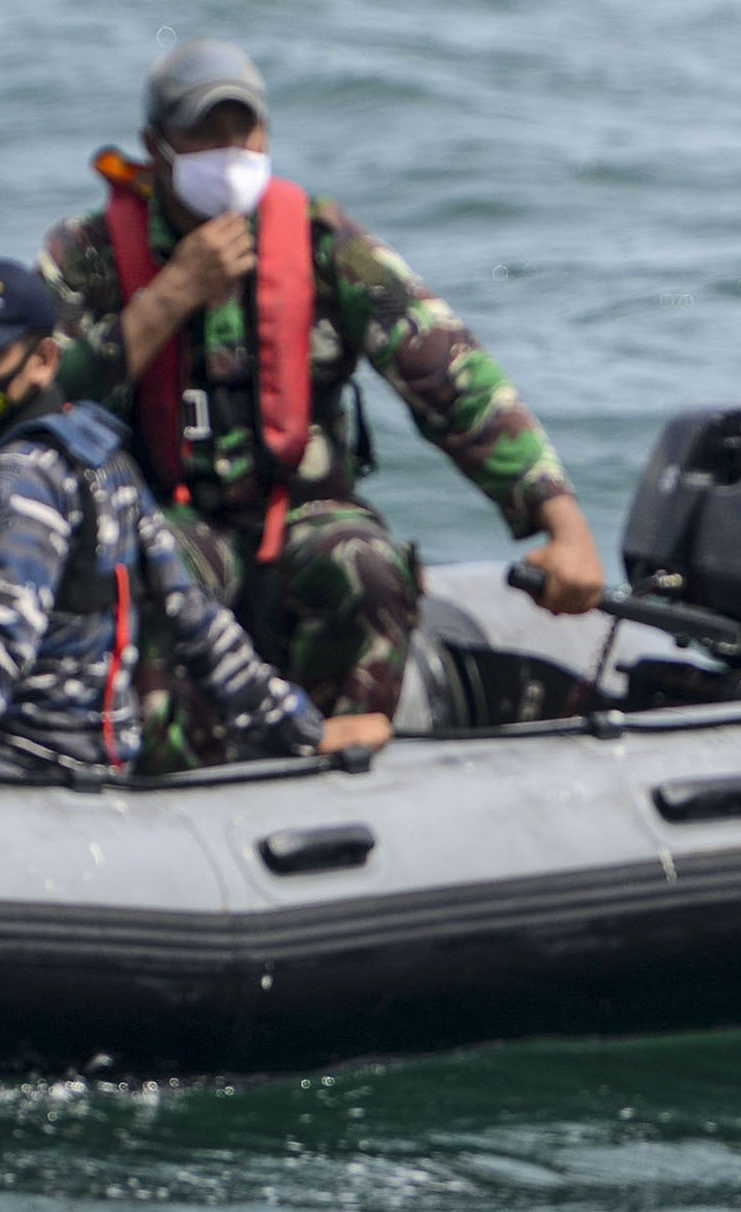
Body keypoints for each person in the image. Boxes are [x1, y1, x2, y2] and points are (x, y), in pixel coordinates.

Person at [37, 38, 604, 764]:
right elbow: (29, 402)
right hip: (160, 517)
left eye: (244, 130)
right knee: (150, 569)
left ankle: (341, 762)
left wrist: (560, 518)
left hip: (297, 517)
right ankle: (164, 773)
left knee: (365, 564)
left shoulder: (322, 242)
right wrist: (169, 297)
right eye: (205, 134)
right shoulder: (88, 253)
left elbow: (451, 374)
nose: (229, 151)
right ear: (157, 147)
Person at [0, 260, 388, 784]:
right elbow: (193, 615)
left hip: (17, 754)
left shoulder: (18, 478)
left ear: (43, 360)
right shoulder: (100, 455)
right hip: (100, 749)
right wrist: (299, 727)